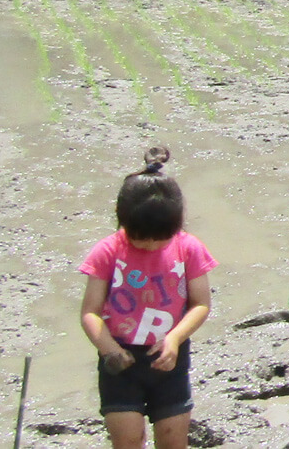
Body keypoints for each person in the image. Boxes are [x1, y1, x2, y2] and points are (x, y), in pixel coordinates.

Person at [77, 147, 215, 449]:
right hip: (119, 362)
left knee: (173, 440)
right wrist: (109, 349)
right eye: (141, 238)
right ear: (123, 221)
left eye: (159, 238)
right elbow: (90, 312)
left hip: (168, 357)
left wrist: (175, 338)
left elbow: (201, 304)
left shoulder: (188, 248)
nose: (150, 245)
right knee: (127, 441)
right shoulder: (108, 251)